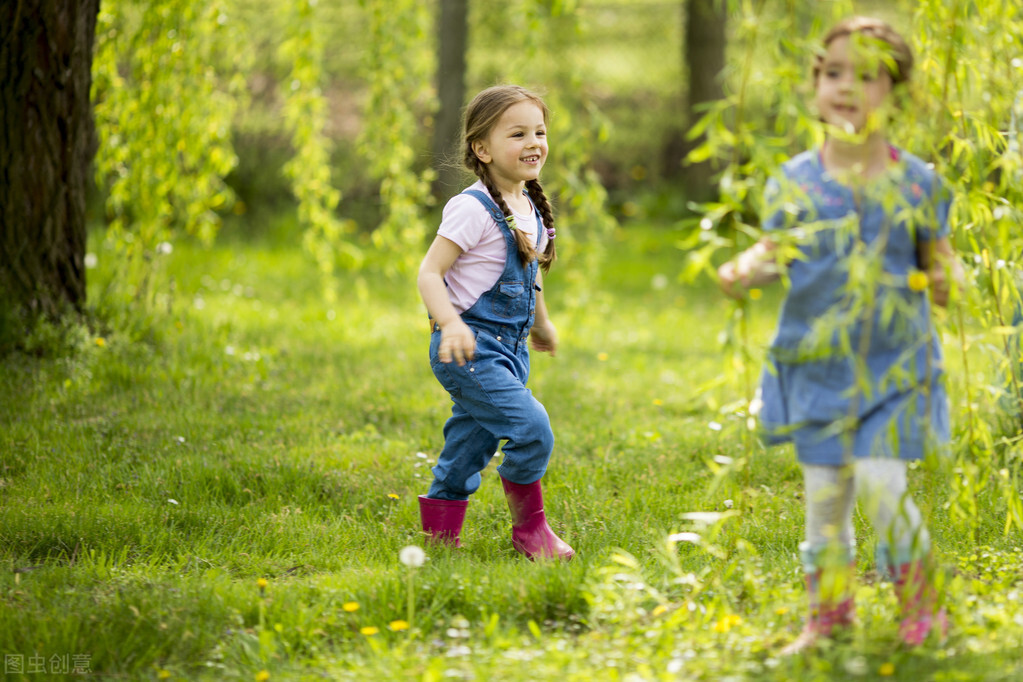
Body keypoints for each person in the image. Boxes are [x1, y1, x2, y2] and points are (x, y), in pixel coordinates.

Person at [717, 17, 962, 651]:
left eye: (867, 75)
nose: (846, 86)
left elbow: (940, 258)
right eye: (833, 73)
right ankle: (828, 617)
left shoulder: (917, 182)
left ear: (895, 92)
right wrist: (745, 269)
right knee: (825, 497)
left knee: (883, 484)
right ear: (814, 85)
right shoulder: (795, 181)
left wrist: (947, 281)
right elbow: (778, 250)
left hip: (895, 366)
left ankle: (922, 606)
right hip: (817, 365)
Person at [416, 85, 574, 561]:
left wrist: (540, 324)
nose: (533, 142)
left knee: (469, 443)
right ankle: (531, 531)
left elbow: (529, 277)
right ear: (482, 149)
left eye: (540, 132)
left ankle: (440, 536)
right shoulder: (471, 209)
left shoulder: (529, 205)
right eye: (517, 133)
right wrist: (451, 322)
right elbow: (429, 273)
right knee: (532, 428)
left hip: (508, 351)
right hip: (467, 350)